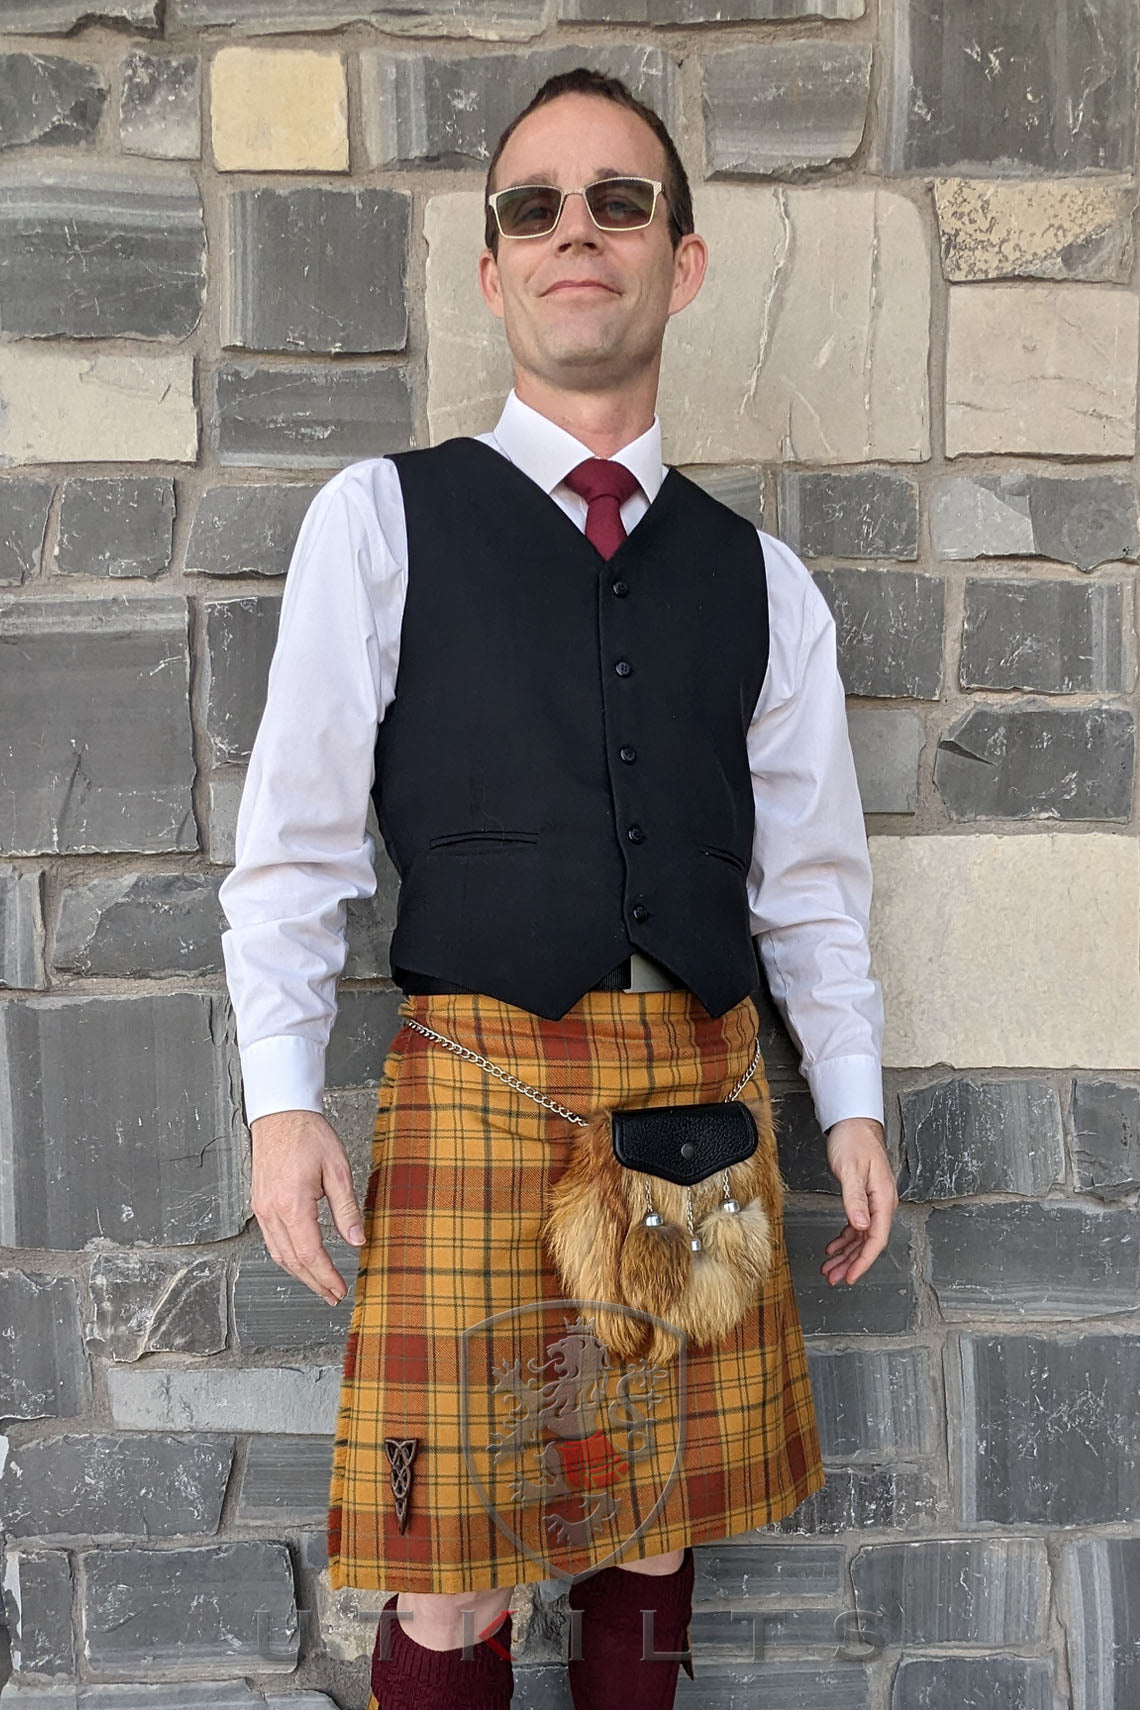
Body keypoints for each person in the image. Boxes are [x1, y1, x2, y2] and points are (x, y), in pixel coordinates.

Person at [219, 66, 896, 1710]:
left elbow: (810, 881)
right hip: (474, 1092)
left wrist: (856, 1099)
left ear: (684, 258)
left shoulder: (765, 579)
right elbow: (296, 839)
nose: (574, 231)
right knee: (446, 1578)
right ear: (493, 269)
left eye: (618, 201)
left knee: (652, 1536)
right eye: (535, 206)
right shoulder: (378, 521)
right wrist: (279, 1096)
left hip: (706, 1114)